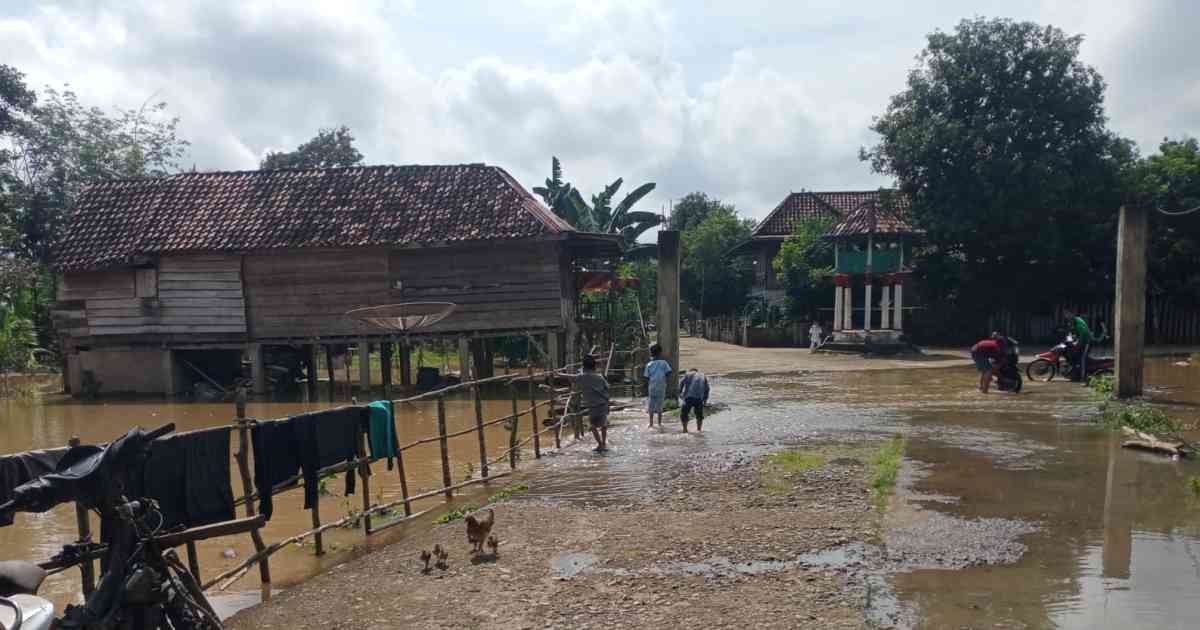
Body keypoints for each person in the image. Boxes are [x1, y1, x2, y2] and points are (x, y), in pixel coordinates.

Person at [574, 354, 610, 452]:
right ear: (594, 367)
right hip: (603, 403)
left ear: (583, 367)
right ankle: (603, 443)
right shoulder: (599, 377)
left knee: (593, 426)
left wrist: (559, 374)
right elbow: (607, 387)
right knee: (603, 425)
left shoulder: (581, 377)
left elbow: (572, 378)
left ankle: (600, 444)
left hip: (592, 405)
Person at [642, 343, 672, 428]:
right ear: (660, 353)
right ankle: (659, 423)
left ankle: (651, 423)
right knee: (660, 404)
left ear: (651, 353)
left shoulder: (649, 364)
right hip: (661, 386)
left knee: (651, 404)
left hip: (652, 386)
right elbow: (669, 372)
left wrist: (645, 387)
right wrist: (665, 379)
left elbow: (646, 377)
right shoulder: (664, 363)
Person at [1064, 309, 1093, 383]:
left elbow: (1082, 337)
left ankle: (1083, 378)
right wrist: (1070, 339)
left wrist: (1076, 344)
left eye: (1068, 314)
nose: (1067, 316)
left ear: (1072, 314)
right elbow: (1070, 333)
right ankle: (1075, 375)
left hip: (1086, 342)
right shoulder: (1072, 322)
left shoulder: (1079, 324)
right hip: (1079, 341)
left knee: (1082, 359)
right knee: (1074, 356)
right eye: (1066, 315)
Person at [678, 368, 710, 432]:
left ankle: (685, 430)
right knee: (699, 416)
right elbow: (707, 389)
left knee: (684, 414)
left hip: (688, 397)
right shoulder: (703, 375)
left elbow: (681, 384)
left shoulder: (687, 374)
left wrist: (680, 395)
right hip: (699, 398)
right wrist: (705, 401)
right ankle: (699, 430)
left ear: (691, 371)